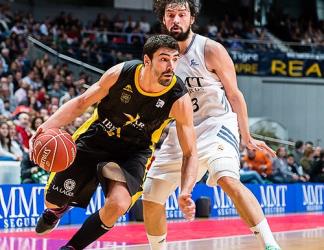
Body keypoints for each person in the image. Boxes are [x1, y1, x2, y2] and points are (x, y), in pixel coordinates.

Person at [30, 34, 198, 250]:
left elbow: (190, 152)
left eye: (175, 59)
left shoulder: (178, 98)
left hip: (133, 152)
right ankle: (56, 210)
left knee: (118, 204)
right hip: (97, 138)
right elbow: (82, 102)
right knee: (52, 200)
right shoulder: (121, 73)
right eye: (164, 59)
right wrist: (45, 127)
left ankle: (72, 247)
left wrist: (186, 190)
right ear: (147, 60)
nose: (171, 66)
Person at [142, 1, 280, 250]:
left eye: (181, 15)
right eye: (170, 15)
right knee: (150, 196)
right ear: (163, 19)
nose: (176, 20)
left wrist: (246, 136)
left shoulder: (210, 49)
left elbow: (235, 94)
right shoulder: (160, 55)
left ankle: (270, 245)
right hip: (182, 129)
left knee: (228, 179)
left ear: (191, 18)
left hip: (217, 124)